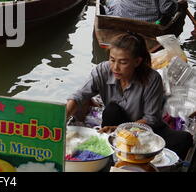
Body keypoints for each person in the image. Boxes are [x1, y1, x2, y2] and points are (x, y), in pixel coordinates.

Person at [66, 32, 193, 160]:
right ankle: (111, 157)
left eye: (123, 62)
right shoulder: (102, 70)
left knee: (184, 140)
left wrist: (121, 130)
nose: (115, 67)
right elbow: (79, 96)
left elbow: (151, 119)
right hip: (116, 126)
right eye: (112, 60)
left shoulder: (152, 79)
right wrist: (62, 119)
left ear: (137, 61)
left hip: (145, 131)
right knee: (111, 110)